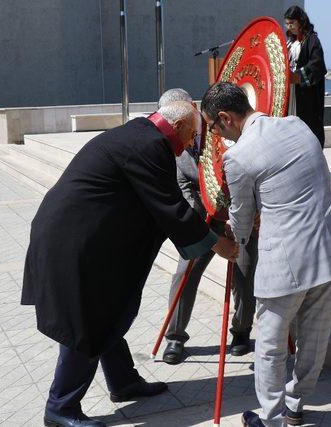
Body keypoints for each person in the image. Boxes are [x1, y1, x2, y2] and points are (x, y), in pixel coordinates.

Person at [22, 101, 239, 427]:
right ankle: (60, 408)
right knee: (85, 323)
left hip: (86, 238)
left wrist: (209, 229)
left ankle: (123, 382)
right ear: (178, 126)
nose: (190, 143)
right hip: (73, 242)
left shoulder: (145, 136)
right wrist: (217, 244)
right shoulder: (149, 145)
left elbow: (163, 206)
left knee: (109, 310)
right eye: (191, 134)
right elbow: (171, 209)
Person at [200, 82, 331, 427]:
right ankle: (295, 406)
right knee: (315, 340)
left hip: (287, 262)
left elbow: (242, 221)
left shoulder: (238, 156)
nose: (214, 134)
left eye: (212, 126)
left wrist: (233, 241)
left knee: (271, 346)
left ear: (226, 119)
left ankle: (272, 418)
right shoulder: (296, 124)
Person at [156, 89, 257, 365]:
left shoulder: (221, 127)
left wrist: (235, 220)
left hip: (242, 216)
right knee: (184, 272)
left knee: (245, 273)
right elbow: (184, 184)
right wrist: (205, 222)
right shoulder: (177, 143)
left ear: (192, 111)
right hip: (205, 219)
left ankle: (241, 330)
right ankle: (175, 336)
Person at [285, 5, 327, 148]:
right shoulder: (289, 43)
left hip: (306, 94)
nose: (289, 27)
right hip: (290, 93)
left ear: (301, 22)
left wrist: (298, 77)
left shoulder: (312, 41)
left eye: (292, 23)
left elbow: (317, 65)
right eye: (287, 24)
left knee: (308, 126)